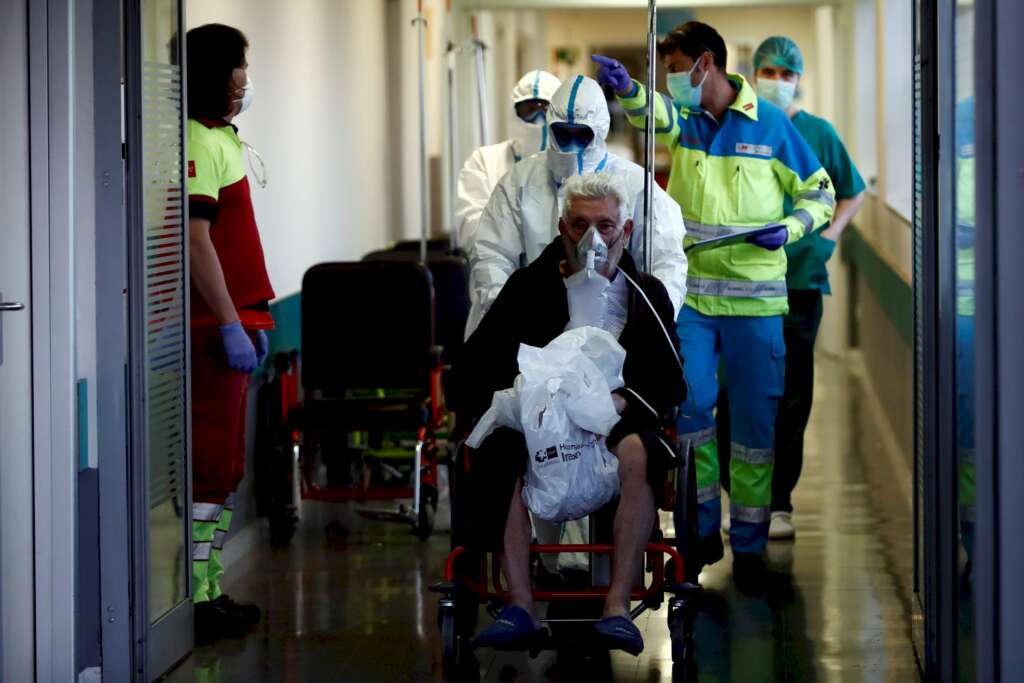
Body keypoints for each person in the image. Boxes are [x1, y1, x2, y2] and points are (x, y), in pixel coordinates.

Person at [593, 20, 835, 594]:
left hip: (755, 307)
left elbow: (819, 193)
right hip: (695, 301)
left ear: (707, 64)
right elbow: (655, 115)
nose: (672, 80)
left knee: (753, 425)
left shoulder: (772, 126)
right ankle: (698, 536)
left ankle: (749, 545)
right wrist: (628, 89)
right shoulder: (689, 123)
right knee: (693, 411)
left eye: (676, 68)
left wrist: (790, 227)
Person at [454, 172, 685, 655]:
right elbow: (476, 369)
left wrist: (620, 401)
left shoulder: (646, 295)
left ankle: (617, 608)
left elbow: (670, 381)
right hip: (539, 416)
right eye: (580, 225)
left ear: (626, 231)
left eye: (605, 225)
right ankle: (520, 605)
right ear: (562, 229)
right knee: (500, 452)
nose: (592, 239)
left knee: (640, 453)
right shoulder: (527, 289)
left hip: (618, 415)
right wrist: (527, 396)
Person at [715, 36, 867, 540]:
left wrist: (827, 239)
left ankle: (779, 500)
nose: (777, 80)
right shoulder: (738, 126)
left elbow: (852, 190)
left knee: (792, 393)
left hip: (799, 280)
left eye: (786, 73)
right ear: (752, 72)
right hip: (742, 285)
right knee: (737, 390)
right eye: (769, 71)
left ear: (799, 78)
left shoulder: (818, 133)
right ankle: (741, 494)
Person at [464, 75, 688, 339]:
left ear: (600, 130)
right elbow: (492, 255)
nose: (572, 143)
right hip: (534, 321)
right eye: (564, 132)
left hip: (617, 327)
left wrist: (648, 325)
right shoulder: (521, 181)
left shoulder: (637, 186)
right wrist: (507, 318)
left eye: (582, 134)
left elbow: (666, 261)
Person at [186, 23, 271, 644]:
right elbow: (197, 242)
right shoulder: (195, 139)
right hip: (210, 329)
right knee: (211, 470)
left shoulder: (222, 138)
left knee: (229, 470)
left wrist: (253, 316)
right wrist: (228, 321)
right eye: (237, 68)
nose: (244, 81)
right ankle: (195, 595)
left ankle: (211, 587)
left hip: (237, 322)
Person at [454, 70, 561, 260]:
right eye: (530, 109)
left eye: (547, 109)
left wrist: (508, 226)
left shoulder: (572, 164)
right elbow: (472, 231)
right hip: (499, 280)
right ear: (514, 112)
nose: (538, 118)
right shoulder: (484, 161)